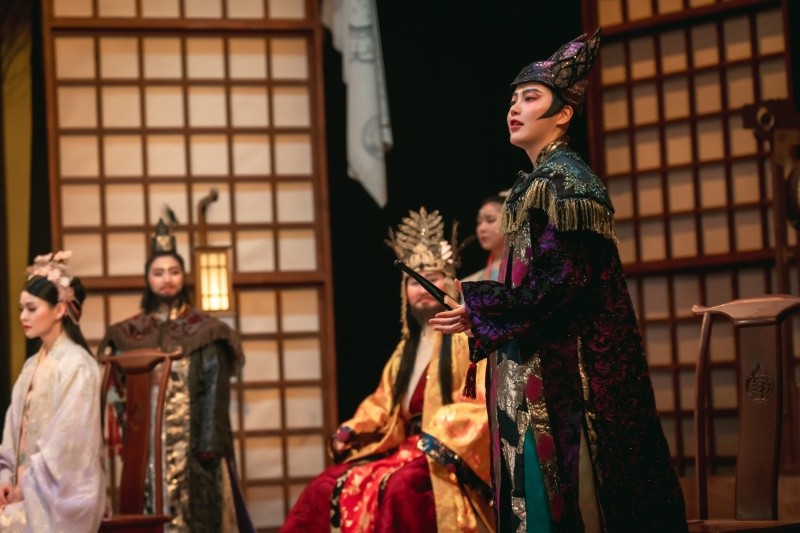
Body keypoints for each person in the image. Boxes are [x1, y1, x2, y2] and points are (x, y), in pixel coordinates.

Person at [431, 31, 688, 532]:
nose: (515, 108)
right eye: (513, 99)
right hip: (530, 358)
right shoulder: (535, 183)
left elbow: (563, 280)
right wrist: (482, 309)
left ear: (564, 113)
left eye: (530, 98)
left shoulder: (568, 182)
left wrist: (483, 305)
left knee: (566, 495)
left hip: (563, 370)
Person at [282, 207, 493, 532]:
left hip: (443, 454)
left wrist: (439, 435)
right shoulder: (404, 351)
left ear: (450, 283)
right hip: (404, 449)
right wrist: (350, 430)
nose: (422, 288)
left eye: (432, 278)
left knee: (399, 488)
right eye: (413, 282)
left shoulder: (468, 341)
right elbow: (382, 403)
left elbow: (481, 402)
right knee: (325, 485)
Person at [98, 220, 253, 532]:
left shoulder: (206, 330)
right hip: (145, 444)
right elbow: (119, 391)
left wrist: (209, 443)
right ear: (148, 279)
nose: (166, 279)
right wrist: (130, 435)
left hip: (195, 444)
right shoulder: (129, 332)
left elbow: (215, 391)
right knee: (146, 509)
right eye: (158, 273)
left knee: (197, 514)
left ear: (184, 276)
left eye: (174, 272)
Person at [0, 250, 105, 531]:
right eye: (21, 309)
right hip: (26, 488)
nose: (23, 316)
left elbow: (69, 446)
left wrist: (27, 483)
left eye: (32, 309)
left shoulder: (78, 365)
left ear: (59, 310)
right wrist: (6, 478)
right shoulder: (30, 366)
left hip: (59, 498)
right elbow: (12, 432)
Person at [462, 195, 506, 282]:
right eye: (479, 222)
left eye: (490, 220)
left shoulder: (528, 269)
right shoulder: (474, 280)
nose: (481, 228)